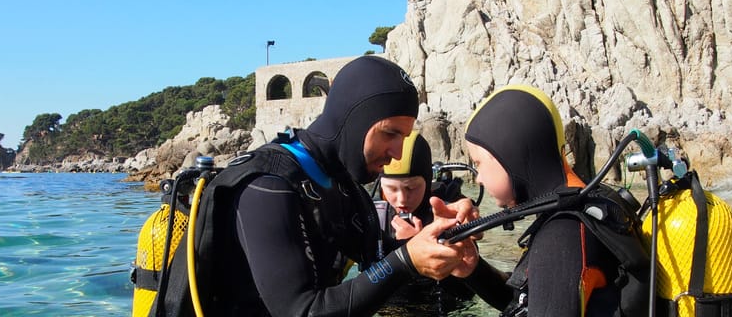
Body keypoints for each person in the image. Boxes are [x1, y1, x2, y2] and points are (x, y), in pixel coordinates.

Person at [156, 55, 479, 316]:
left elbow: (379, 262)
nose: (396, 154)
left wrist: (445, 237)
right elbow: (302, 310)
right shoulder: (267, 187)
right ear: (354, 120)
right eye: (390, 133)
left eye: (404, 138)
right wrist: (406, 260)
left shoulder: (338, 184)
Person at [444, 85, 649, 316]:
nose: (478, 178)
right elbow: (528, 302)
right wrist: (474, 270)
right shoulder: (590, 203)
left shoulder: (563, 234)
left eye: (479, 162)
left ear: (510, 153)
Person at [373, 130, 476, 315]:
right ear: (381, 188)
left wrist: (418, 250)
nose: (402, 199)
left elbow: (466, 291)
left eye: (411, 188)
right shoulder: (373, 218)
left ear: (428, 183)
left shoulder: (444, 216)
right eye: (391, 189)